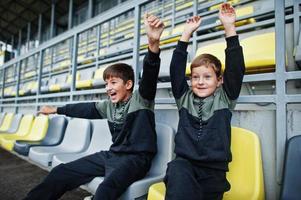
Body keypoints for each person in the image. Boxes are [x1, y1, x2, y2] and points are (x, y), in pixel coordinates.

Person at [23, 13, 164, 200]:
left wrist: (153, 45)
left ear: (128, 85)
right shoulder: (108, 106)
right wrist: (55, 109)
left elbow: (150, 74)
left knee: (106, 190)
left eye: (113, 83)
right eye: (106, 84)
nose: (108, 88)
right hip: (112, 155)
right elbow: (84, 109)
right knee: (61, 172)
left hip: (136, 160)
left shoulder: (142, 99)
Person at [164, 3, 245, 200]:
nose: (200, 82)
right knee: (175, 168)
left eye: (207, 77)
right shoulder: (184, 98)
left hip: (213, 174)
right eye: (195, 77)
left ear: (220, 81)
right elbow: (175, 71)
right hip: (184, 166)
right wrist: (186, 34)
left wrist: (229, 28)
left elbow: (236, 68)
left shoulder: (225, 99)